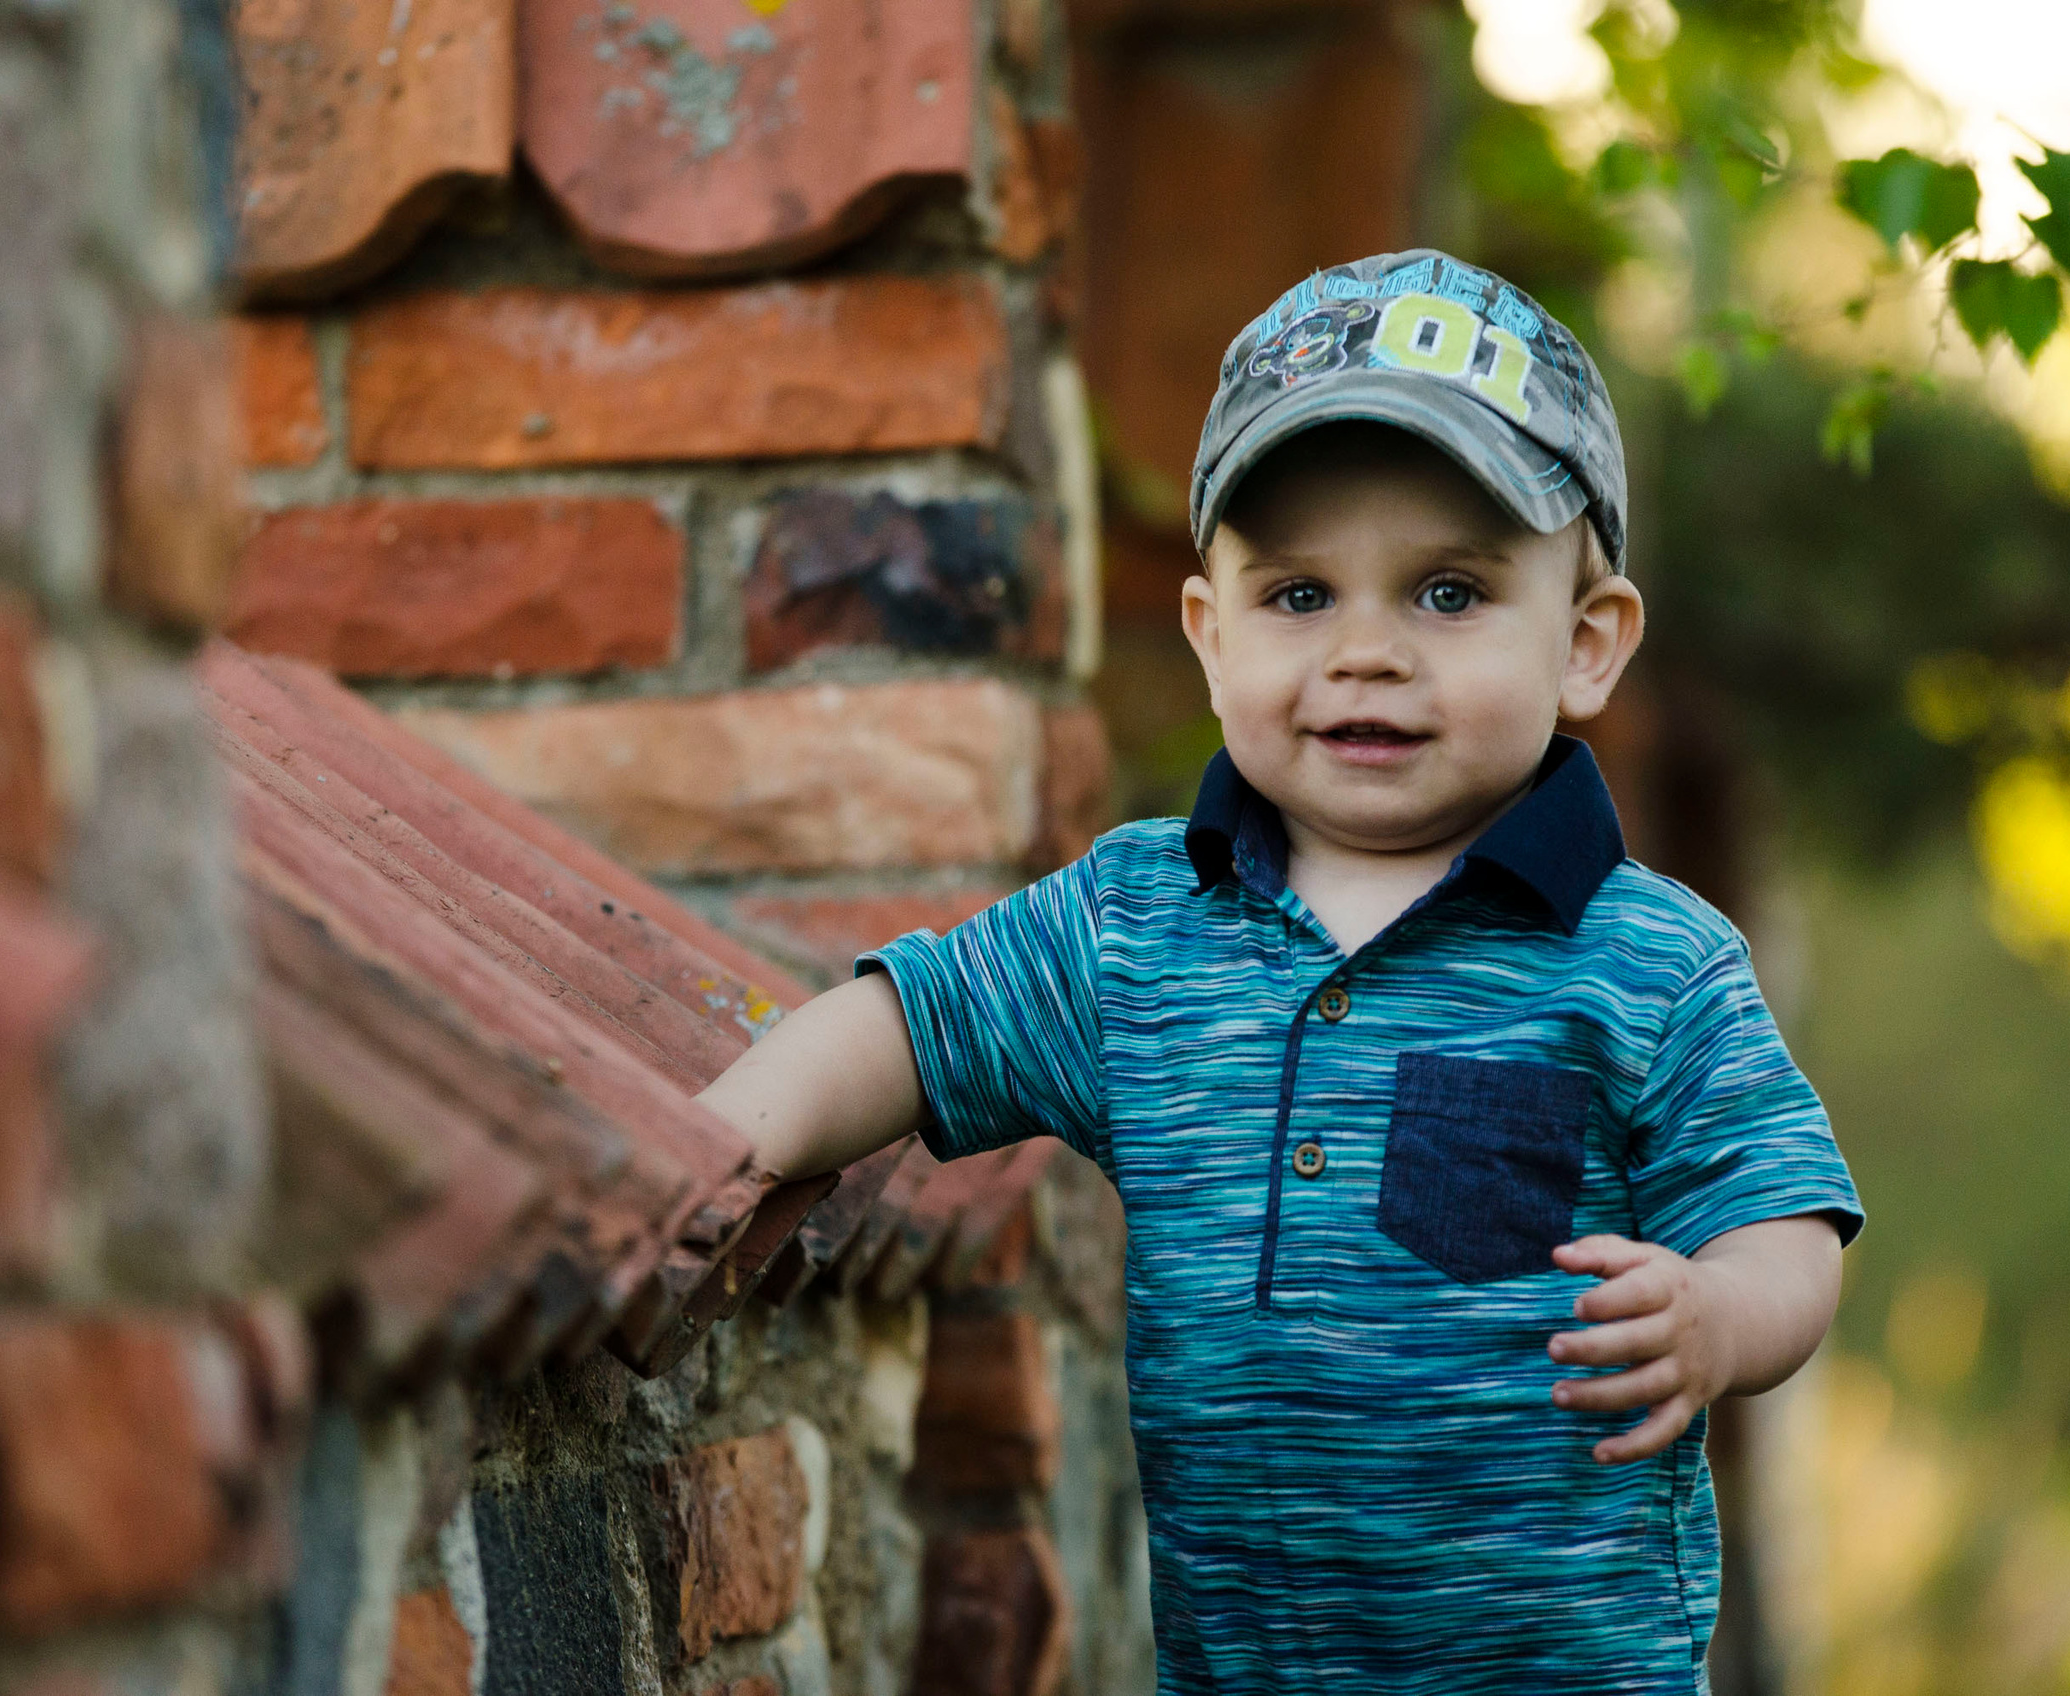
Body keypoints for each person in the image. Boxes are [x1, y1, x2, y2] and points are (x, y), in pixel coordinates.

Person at [697, 249, 1863, 1693]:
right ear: (1210, 634)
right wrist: (725, 1138)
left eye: (1447, 593)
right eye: (1301, 596)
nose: (1366, 653)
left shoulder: (1646, 961)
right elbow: (907, 1028)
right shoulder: (1136, 925)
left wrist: (1713, 1319)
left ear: (1585, 643)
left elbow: (1788, 1226)